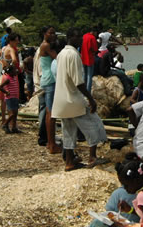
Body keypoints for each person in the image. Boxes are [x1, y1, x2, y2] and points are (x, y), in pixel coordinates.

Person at [52, 27, 107, 171]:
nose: (81, 40)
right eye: (78, 37)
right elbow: (78, 82)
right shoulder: (73, 55)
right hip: (73, 99)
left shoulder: (61, 54)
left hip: (61, 100)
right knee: (93, 124)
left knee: (68, 131)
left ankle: (69, 162)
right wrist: (90, 98)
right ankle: (92, 157)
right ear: (70, 37)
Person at [39, 26, 63, 154]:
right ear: (44, 33)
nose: (53, 35)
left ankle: (50, 142)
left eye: (54, 33)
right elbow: (58, 57)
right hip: (50, 81)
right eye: (51, 33)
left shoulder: (47, 45)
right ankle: (52, 144)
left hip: (48, 80)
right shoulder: (46, 46)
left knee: (49, 113)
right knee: (51, 114)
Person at [0, 65, 20, 133]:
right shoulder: (8, 79)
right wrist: (6, 92)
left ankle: (14, 127)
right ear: (10, 72)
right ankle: (5, 124)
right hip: (10, 98)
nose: (15, 71)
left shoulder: (14, 77)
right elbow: (0, 87)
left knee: (15, 113)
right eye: (14, 70)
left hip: (15, 97)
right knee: (12, 114)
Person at [81, 26, 99, 93]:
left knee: (84, 75)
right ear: (94, 32)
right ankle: (88, 92)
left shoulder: (84, 36)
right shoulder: (92, 38)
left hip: (83, 58)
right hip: (90, 58)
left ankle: (83, 91)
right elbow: (95, 49)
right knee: (89, 76)